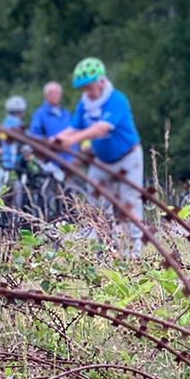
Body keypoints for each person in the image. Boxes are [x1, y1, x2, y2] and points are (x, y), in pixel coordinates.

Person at [53, 57, 143, 255]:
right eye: (83, 89)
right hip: (101, 160)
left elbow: (101, 128)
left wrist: (74, 139)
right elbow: (73, 128)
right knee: (97, 205)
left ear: (101, 82)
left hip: (127, 158)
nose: (87, 92)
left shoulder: (117, 100)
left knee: (129, 203)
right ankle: (105, 250)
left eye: (90, 87)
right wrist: (54, 140)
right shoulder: (84, 104)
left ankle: (134, 254)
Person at [28, 82, 75, 162]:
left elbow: (74, 132)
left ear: (61, 95)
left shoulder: (66, 113)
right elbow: (34, 135)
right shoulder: (40, 114)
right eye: (51, 93)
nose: (54, 95)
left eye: (56, 93)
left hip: (70, 160)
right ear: (45, 95)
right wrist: (48, 141)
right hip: (51, 160)